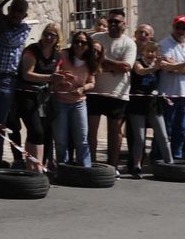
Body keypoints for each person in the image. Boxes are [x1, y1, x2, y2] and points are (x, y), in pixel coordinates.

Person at [0, 0, 32, 168]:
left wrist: (0, 19)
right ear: (9, 9)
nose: (15, 14)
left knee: (0, 123)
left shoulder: (24, 28)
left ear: (24, 15)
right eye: (13, 10)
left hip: (7, 80)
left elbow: (11, 40)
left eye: (20, 11)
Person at [90, 10, 136, 169]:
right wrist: (113, 65)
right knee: (91, 131)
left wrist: (102, 60)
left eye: (117, 22)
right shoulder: (96, 38)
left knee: (115, 131)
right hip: (95, 91)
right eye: (111, 21)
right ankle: (90, 164)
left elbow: (126, 67)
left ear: (124, 24)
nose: (113, 24)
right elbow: (89, 59)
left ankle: (112, 167)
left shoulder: (129, 43)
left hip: (118, 93)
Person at [13, 24, 60, 173]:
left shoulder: (57, 55)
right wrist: (50, 77)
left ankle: (34, 167)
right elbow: (27, 74)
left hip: (44, 98)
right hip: (26, 94)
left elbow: (56, 77)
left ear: (57, 38)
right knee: (36, 131)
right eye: (46, 34)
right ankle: (37, 167)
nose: (48, 38)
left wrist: (61, 81)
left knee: (41, 132)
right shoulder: (32, 51)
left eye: (52, 35)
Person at [123, 40, 170, 178]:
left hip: (154, 104)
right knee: (140, 139)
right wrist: (154, 68)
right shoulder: (138, 62)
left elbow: (174, 67)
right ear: (143, 51)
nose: (150, 53)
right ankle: (137, 166)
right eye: (148, 50)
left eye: (153, 51)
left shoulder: (158, 63)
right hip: (137, 105)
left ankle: (170, 164)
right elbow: (140, 71)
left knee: (163, 136)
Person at [52, 30, 98, 168]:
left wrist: (82, 89)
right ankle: (63, 168)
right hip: (60, 101)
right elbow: (54, 73)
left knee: (82, 139)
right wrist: (60, 80)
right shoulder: (63, 55)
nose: (79, 45)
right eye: (77, 41)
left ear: (88, 46)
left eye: (83, 42)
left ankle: (85, 168)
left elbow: (92, 82)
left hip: (79, 103)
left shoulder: (90, 62)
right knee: (61, 140)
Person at [158, 16, 185, 164]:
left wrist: (180, 67)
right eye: (178, 27)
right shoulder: (164, 44)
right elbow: (168, 67)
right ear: (173, 26)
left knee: (181, 129)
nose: (180, 30)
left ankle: (177, 157)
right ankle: (159, 157)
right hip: (168, 92)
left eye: (184, 28)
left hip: (184, 93)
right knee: (165, 128)